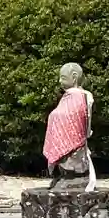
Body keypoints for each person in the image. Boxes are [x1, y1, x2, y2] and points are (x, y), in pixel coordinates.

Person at [44, 62, 96, 193]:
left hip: (76, 140)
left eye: (63, 77)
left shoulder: (83, 95)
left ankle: (75, 178)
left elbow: (86, 115)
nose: (59, 81)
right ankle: (61, 176)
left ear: (74, 77)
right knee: (64, 162)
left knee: (73, 162)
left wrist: (87, 132)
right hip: (62, 137)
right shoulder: (67, 96)